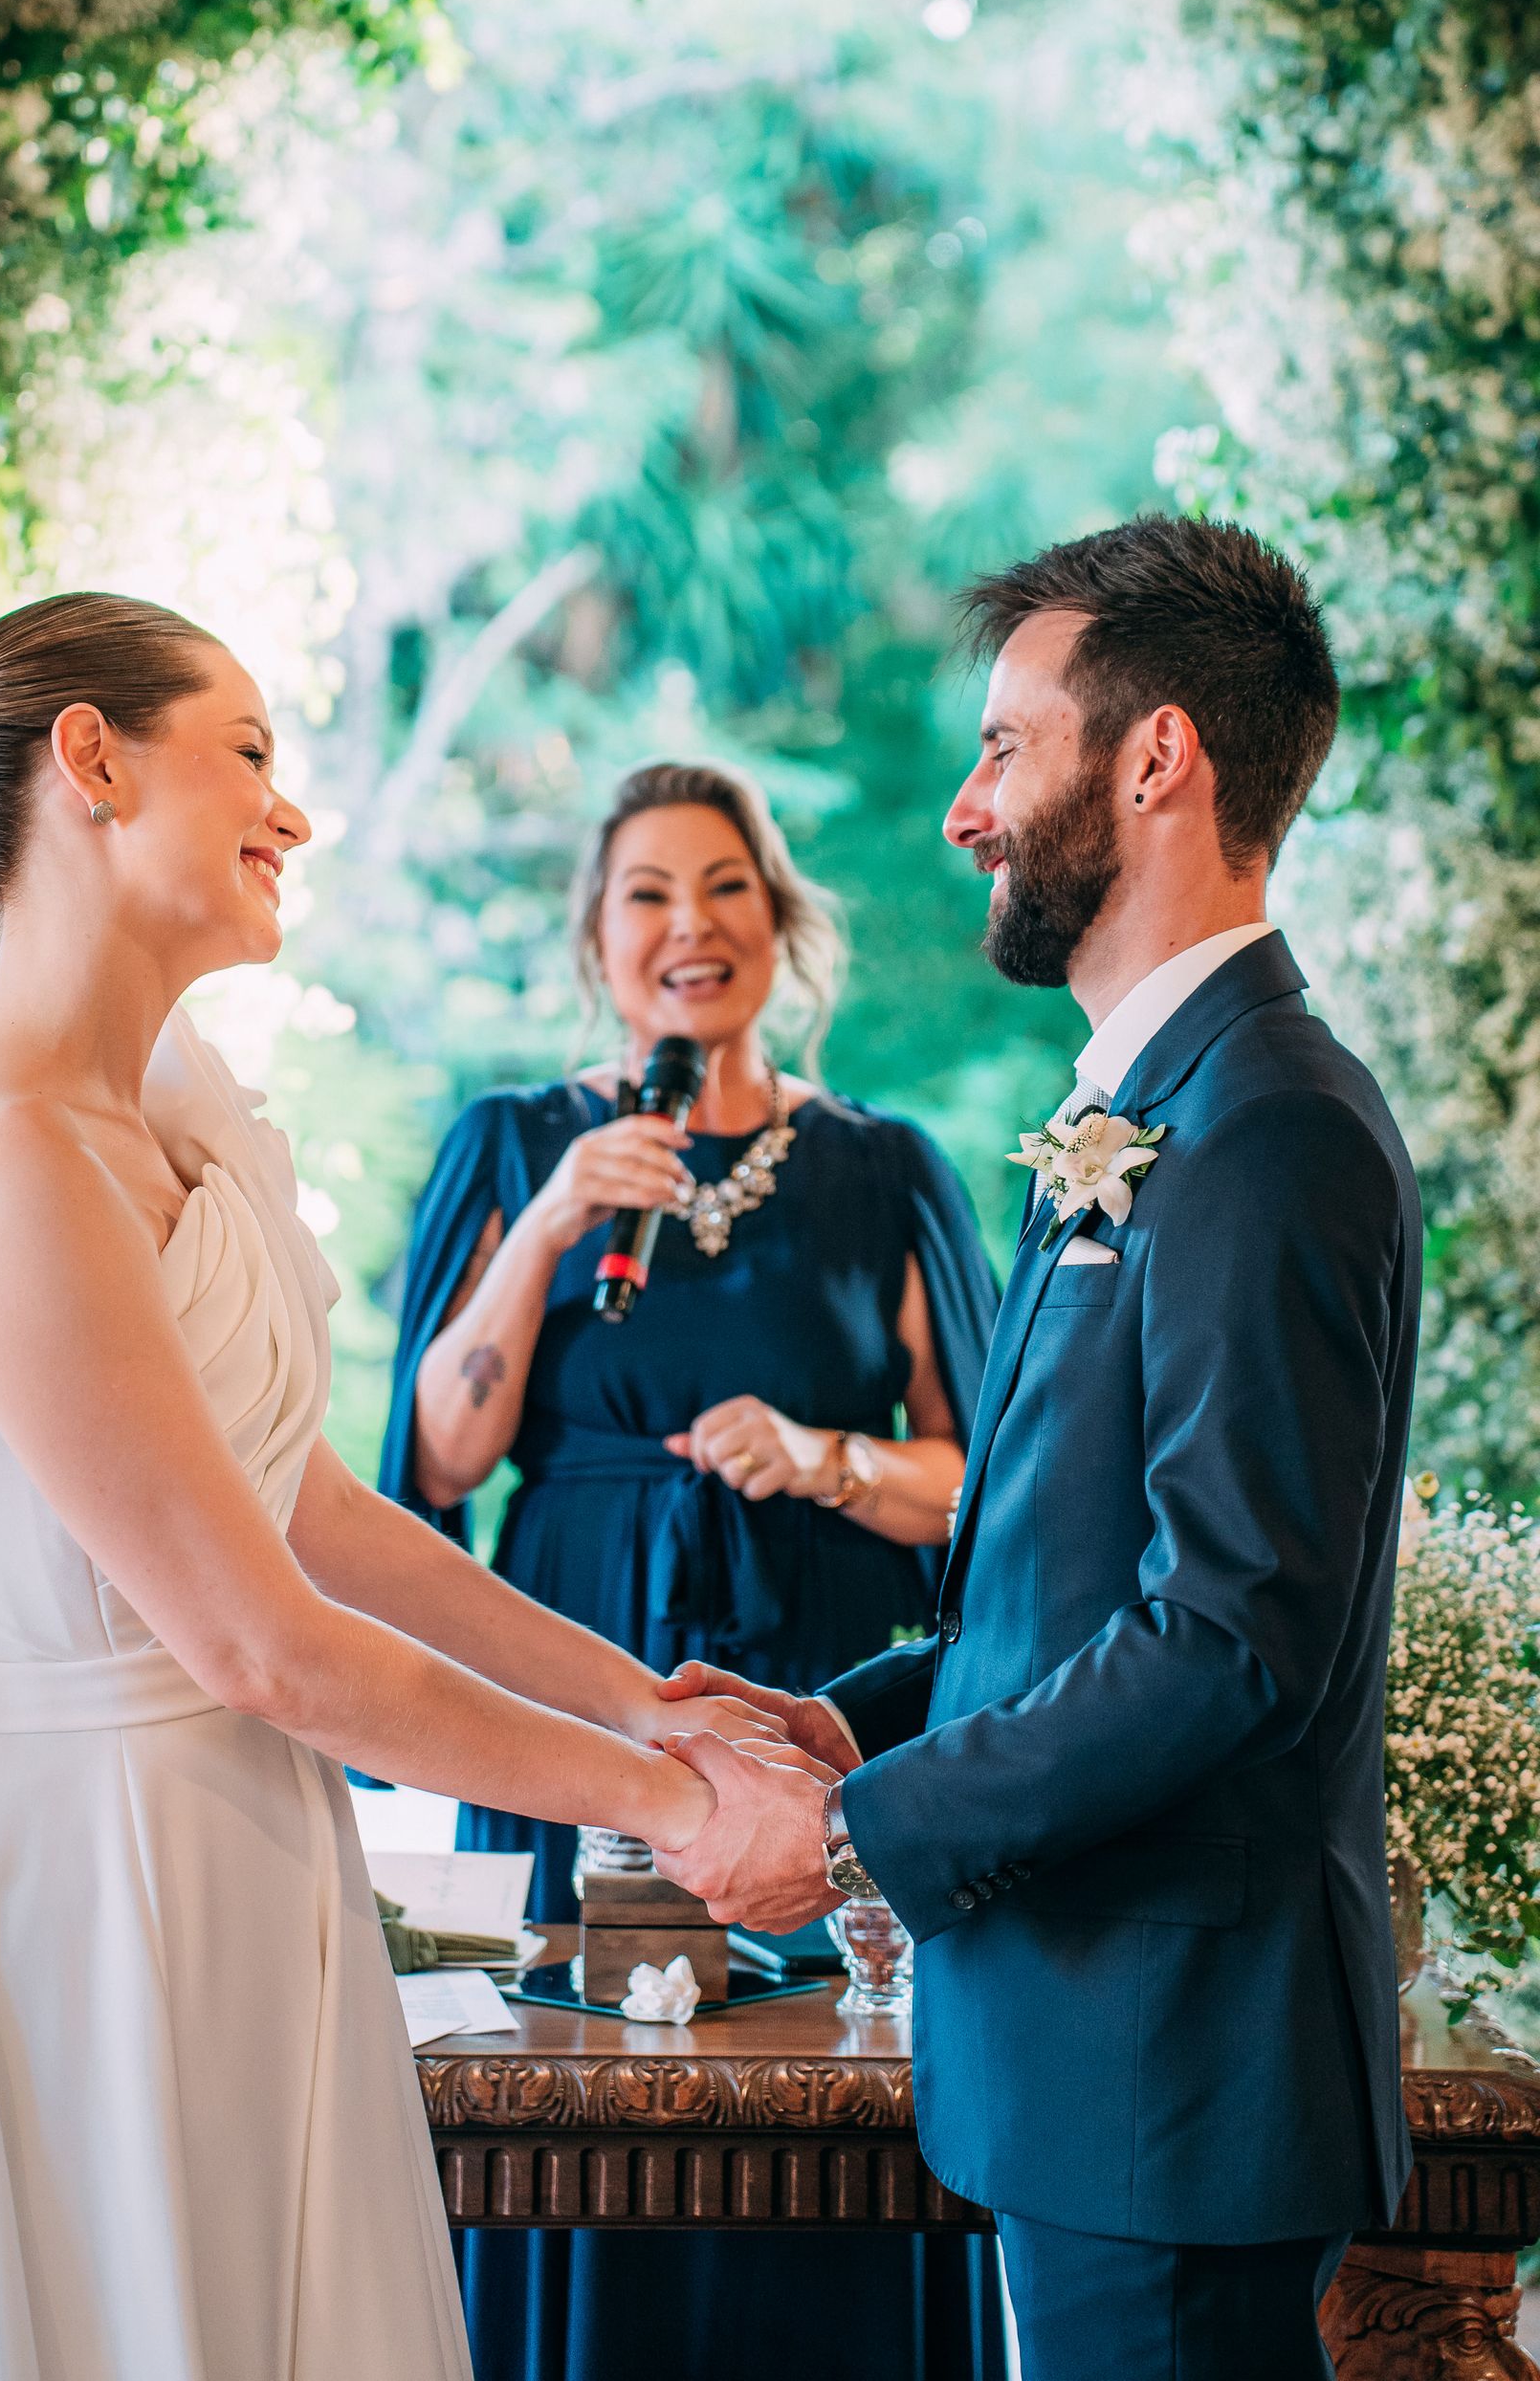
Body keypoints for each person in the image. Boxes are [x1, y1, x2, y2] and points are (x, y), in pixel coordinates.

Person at [0, 592, 803, 2381]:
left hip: (236, 1848)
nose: (291, 816)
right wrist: (670, 1815)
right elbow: (265, 1644)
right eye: (250, 757)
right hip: (84, 1884)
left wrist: (648, 1706)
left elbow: (309, 1511)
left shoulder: (172, 1127)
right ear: (93, 764)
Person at [657, 514, 1422, 2381]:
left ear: (1156, 755)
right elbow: (1082, 1578)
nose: (963, 807)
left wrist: (854, 1834)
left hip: (1171, 2071)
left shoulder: (1270, 1127)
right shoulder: (1151, 1103)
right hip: (1095, 2068)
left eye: (1006, 744)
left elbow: (1235, 1633)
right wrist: (854, 1721)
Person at [381, 760, 1003, 2381]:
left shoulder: (888, 1169)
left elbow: (993, 1497)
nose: (689, 925)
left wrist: (825, 1462)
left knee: (835, 2121)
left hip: (814, 1681)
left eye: (725, 887)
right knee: (578, 2123)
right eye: (649, 894)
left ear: (780, 924)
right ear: (598, 941)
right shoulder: (518, 1143)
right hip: (571, 1688)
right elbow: (441, 1460)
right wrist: (545, 1226)